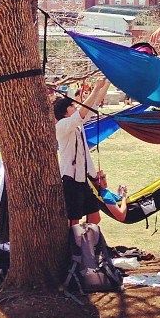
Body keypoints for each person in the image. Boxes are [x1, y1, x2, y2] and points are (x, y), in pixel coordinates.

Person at [54, 78, 111, 226]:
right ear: (65, 112)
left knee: (95, 217)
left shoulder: (77, 124)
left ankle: (86, 242)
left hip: (82, 178)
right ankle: (76, 246)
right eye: (72, 106)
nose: (75, 107)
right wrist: (95, 88)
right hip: (70, 180)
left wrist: (106, 83)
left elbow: (94, 105)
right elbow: (81, 112)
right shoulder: (62, 126)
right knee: (74, 221)